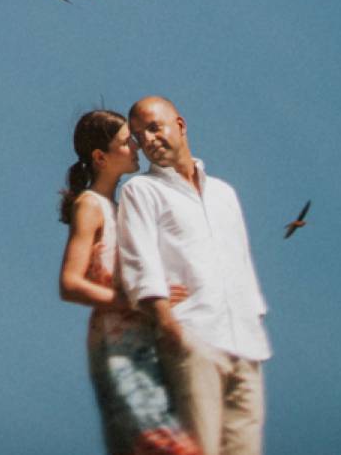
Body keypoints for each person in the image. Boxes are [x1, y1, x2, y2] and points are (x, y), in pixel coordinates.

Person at [114, 96, 270, 455]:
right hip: (192, 339)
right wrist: (168, 324)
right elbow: (141, 260)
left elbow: (241, 263)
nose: (148, 139)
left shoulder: (224, 193)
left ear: (180, 126)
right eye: (139, 136)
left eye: (154, 127)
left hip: (246, 347)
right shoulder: (141, 190)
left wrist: (253, 317)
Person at [58, 109, 201, 455]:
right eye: (126, 142)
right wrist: (133, 302)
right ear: (100, 157)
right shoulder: (90, 206)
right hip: (117, 344)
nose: (137, 147)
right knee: (166, 446)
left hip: (145, 342)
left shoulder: (122, 209)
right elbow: (70, 283)